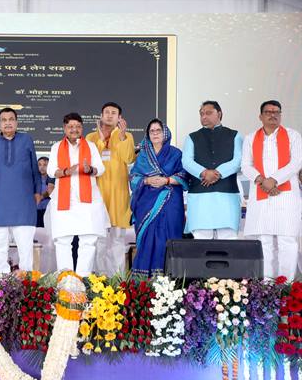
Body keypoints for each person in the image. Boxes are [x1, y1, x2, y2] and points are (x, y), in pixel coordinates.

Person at [0, 107, 40, 273]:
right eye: (4, 120)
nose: (8, 123)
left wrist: (38, 191)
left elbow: (35, 169)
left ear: (16, 122)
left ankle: (26, 282)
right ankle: (0, 282)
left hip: (24, 203)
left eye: (11, 119)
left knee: (25, 247)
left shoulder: (26, 140)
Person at [241, 100, 301, 280]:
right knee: (264, 241)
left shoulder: (293, 136)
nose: (273, 115)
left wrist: (273, 180)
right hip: (261, 195)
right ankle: (267, 286)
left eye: (276, 112)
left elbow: (296, 162)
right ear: (260, 116)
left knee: (287, 240)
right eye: (268, 112)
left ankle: (286, 285)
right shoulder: (251, 138)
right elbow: (246, 165)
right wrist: (263, 181)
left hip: (286, 195)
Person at [48, 112, 109, 276]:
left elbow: (100, 169)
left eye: (78, 126)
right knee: (63, 241)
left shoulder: (91, 146)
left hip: (87, 201)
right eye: (70, 126)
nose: (74, 129)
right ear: (64, 128)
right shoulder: (56, 147)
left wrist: (89, 169)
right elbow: (51, 170)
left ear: (82, 128)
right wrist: (66, 171)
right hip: (64, 200)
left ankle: (83, 279)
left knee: (88, 241)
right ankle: (66, 280)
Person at [129, 119, 188, 276]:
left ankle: (172, 278)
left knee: (169, 236)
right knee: (148, 236)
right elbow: (133, 177)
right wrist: (147, 180)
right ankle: (144, 280)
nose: (155, 133)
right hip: (146, 203)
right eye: (152, 131)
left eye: (158, 130)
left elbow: (184, 175)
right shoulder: (142, 156)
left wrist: (166, 180)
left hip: (171, 201)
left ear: (165, 133)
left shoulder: (176, 154)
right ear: (148, 135)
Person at [85, 102, 135, 276]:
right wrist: (100, 139)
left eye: (114, 113)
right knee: (99, 240)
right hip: (97, 193)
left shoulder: (126, 136)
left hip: (118, 194)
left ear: (119, 118)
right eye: (106, 112)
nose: (109, 115)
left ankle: (117, 278)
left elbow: (129, 158)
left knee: (117, 239)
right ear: (101, 115)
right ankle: (99, 278)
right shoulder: (91, 137)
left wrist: (122, 137)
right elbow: (91, 160)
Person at [182, 101, 242, 239]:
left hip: (227, 195)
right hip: (200, 196)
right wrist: (204, 173)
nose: (204, 116)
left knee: (228, 238)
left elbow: (238, 160)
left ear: (219, 114)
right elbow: (186, 161)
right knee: (201, 238)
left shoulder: (235, 135)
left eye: (208, 113)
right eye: (201, 114)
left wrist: (217, 173)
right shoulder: (192, 137)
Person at [36, 156, 55, 228]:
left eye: (45, 165)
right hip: (36, 210)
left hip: (48, 210)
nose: (42, 167)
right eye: (39, 165)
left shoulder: (53, 179)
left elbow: (50, 191)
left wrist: (41, 197)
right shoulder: (33, 179)